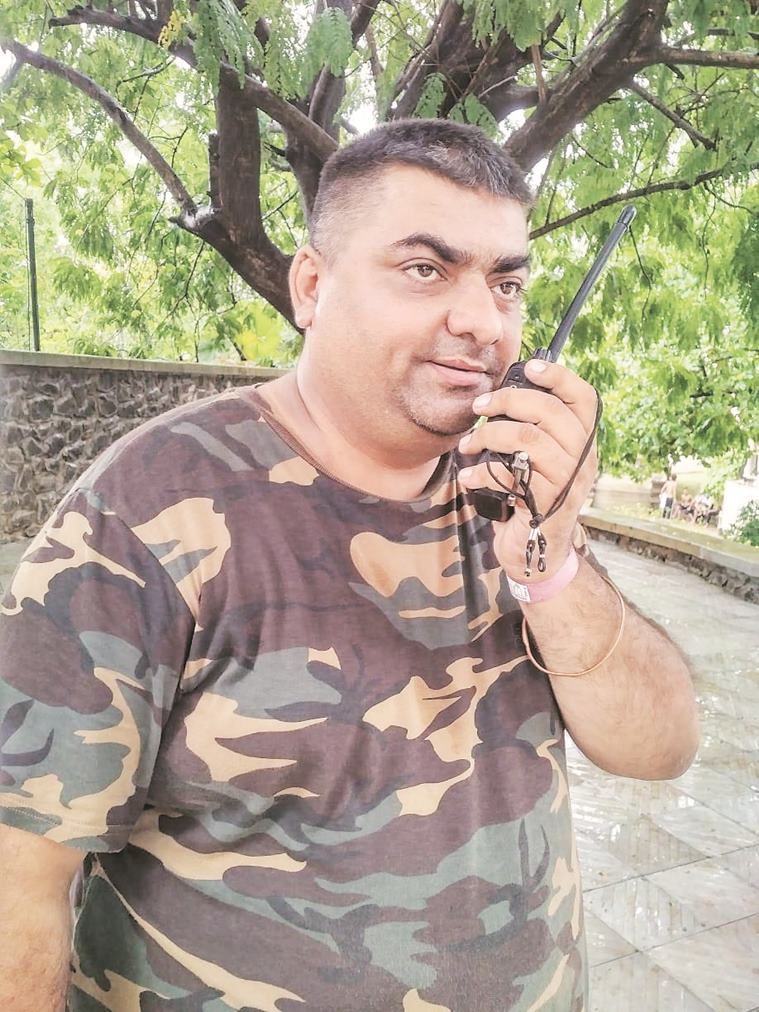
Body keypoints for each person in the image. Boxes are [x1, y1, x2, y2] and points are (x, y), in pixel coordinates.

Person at [0, 120, 699, 1012]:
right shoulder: (147, 506)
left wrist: (552, 560)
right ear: (312, 286)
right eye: (426, 269)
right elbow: (21, 878)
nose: (483, 321)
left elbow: (659, 748)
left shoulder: (510, 491)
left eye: (506, 282)